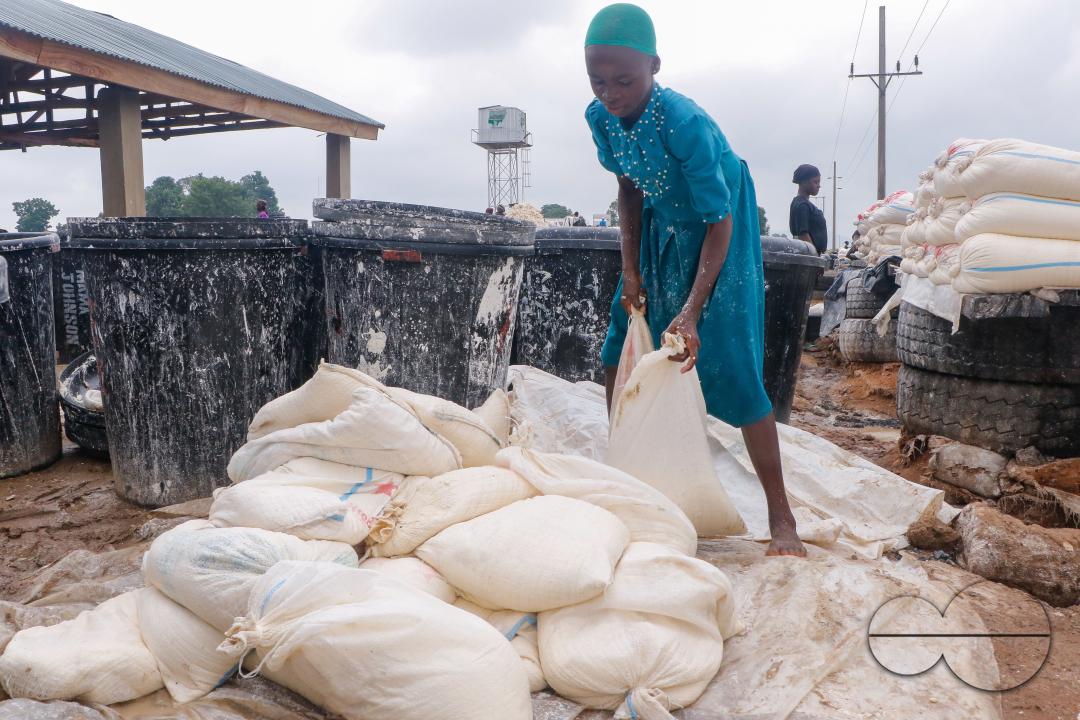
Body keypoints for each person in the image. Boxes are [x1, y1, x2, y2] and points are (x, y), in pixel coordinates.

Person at [584, 3, 804, 556]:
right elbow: (630, 188)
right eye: (598, 79)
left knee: (727, 359)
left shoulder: (683, 123)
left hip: (718, 229)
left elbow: (719, 218)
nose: (611, 92)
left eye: (625, 80)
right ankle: (625, 470)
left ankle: (782, 520)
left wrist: (693, 308)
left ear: (655, 65)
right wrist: (629, 269)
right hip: (660, 222)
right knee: (621, 341)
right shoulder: (599, 117)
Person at [789, 165, 828, 254]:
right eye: (815, 182)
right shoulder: (802, 205)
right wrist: (814, 258)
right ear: (803, 182)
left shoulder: (801, 203)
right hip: (809, 257)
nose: (819, 186)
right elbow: (803, 235)